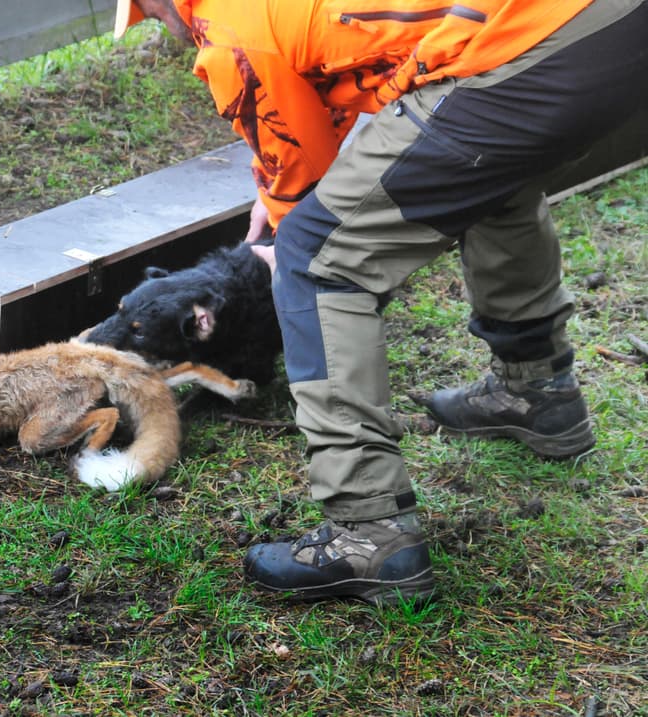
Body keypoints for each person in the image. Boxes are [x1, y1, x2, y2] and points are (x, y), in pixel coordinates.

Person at [114, 0, 648, 605]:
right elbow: (331, 85)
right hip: (604, 26)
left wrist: (290, 226)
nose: (164, 28)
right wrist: (279, 181)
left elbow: (306, 198)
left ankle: (367, 531)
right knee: (484, 165)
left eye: (150, 15)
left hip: (535, 43)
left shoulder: (231, 30)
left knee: (316, 258)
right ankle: (537, 392)